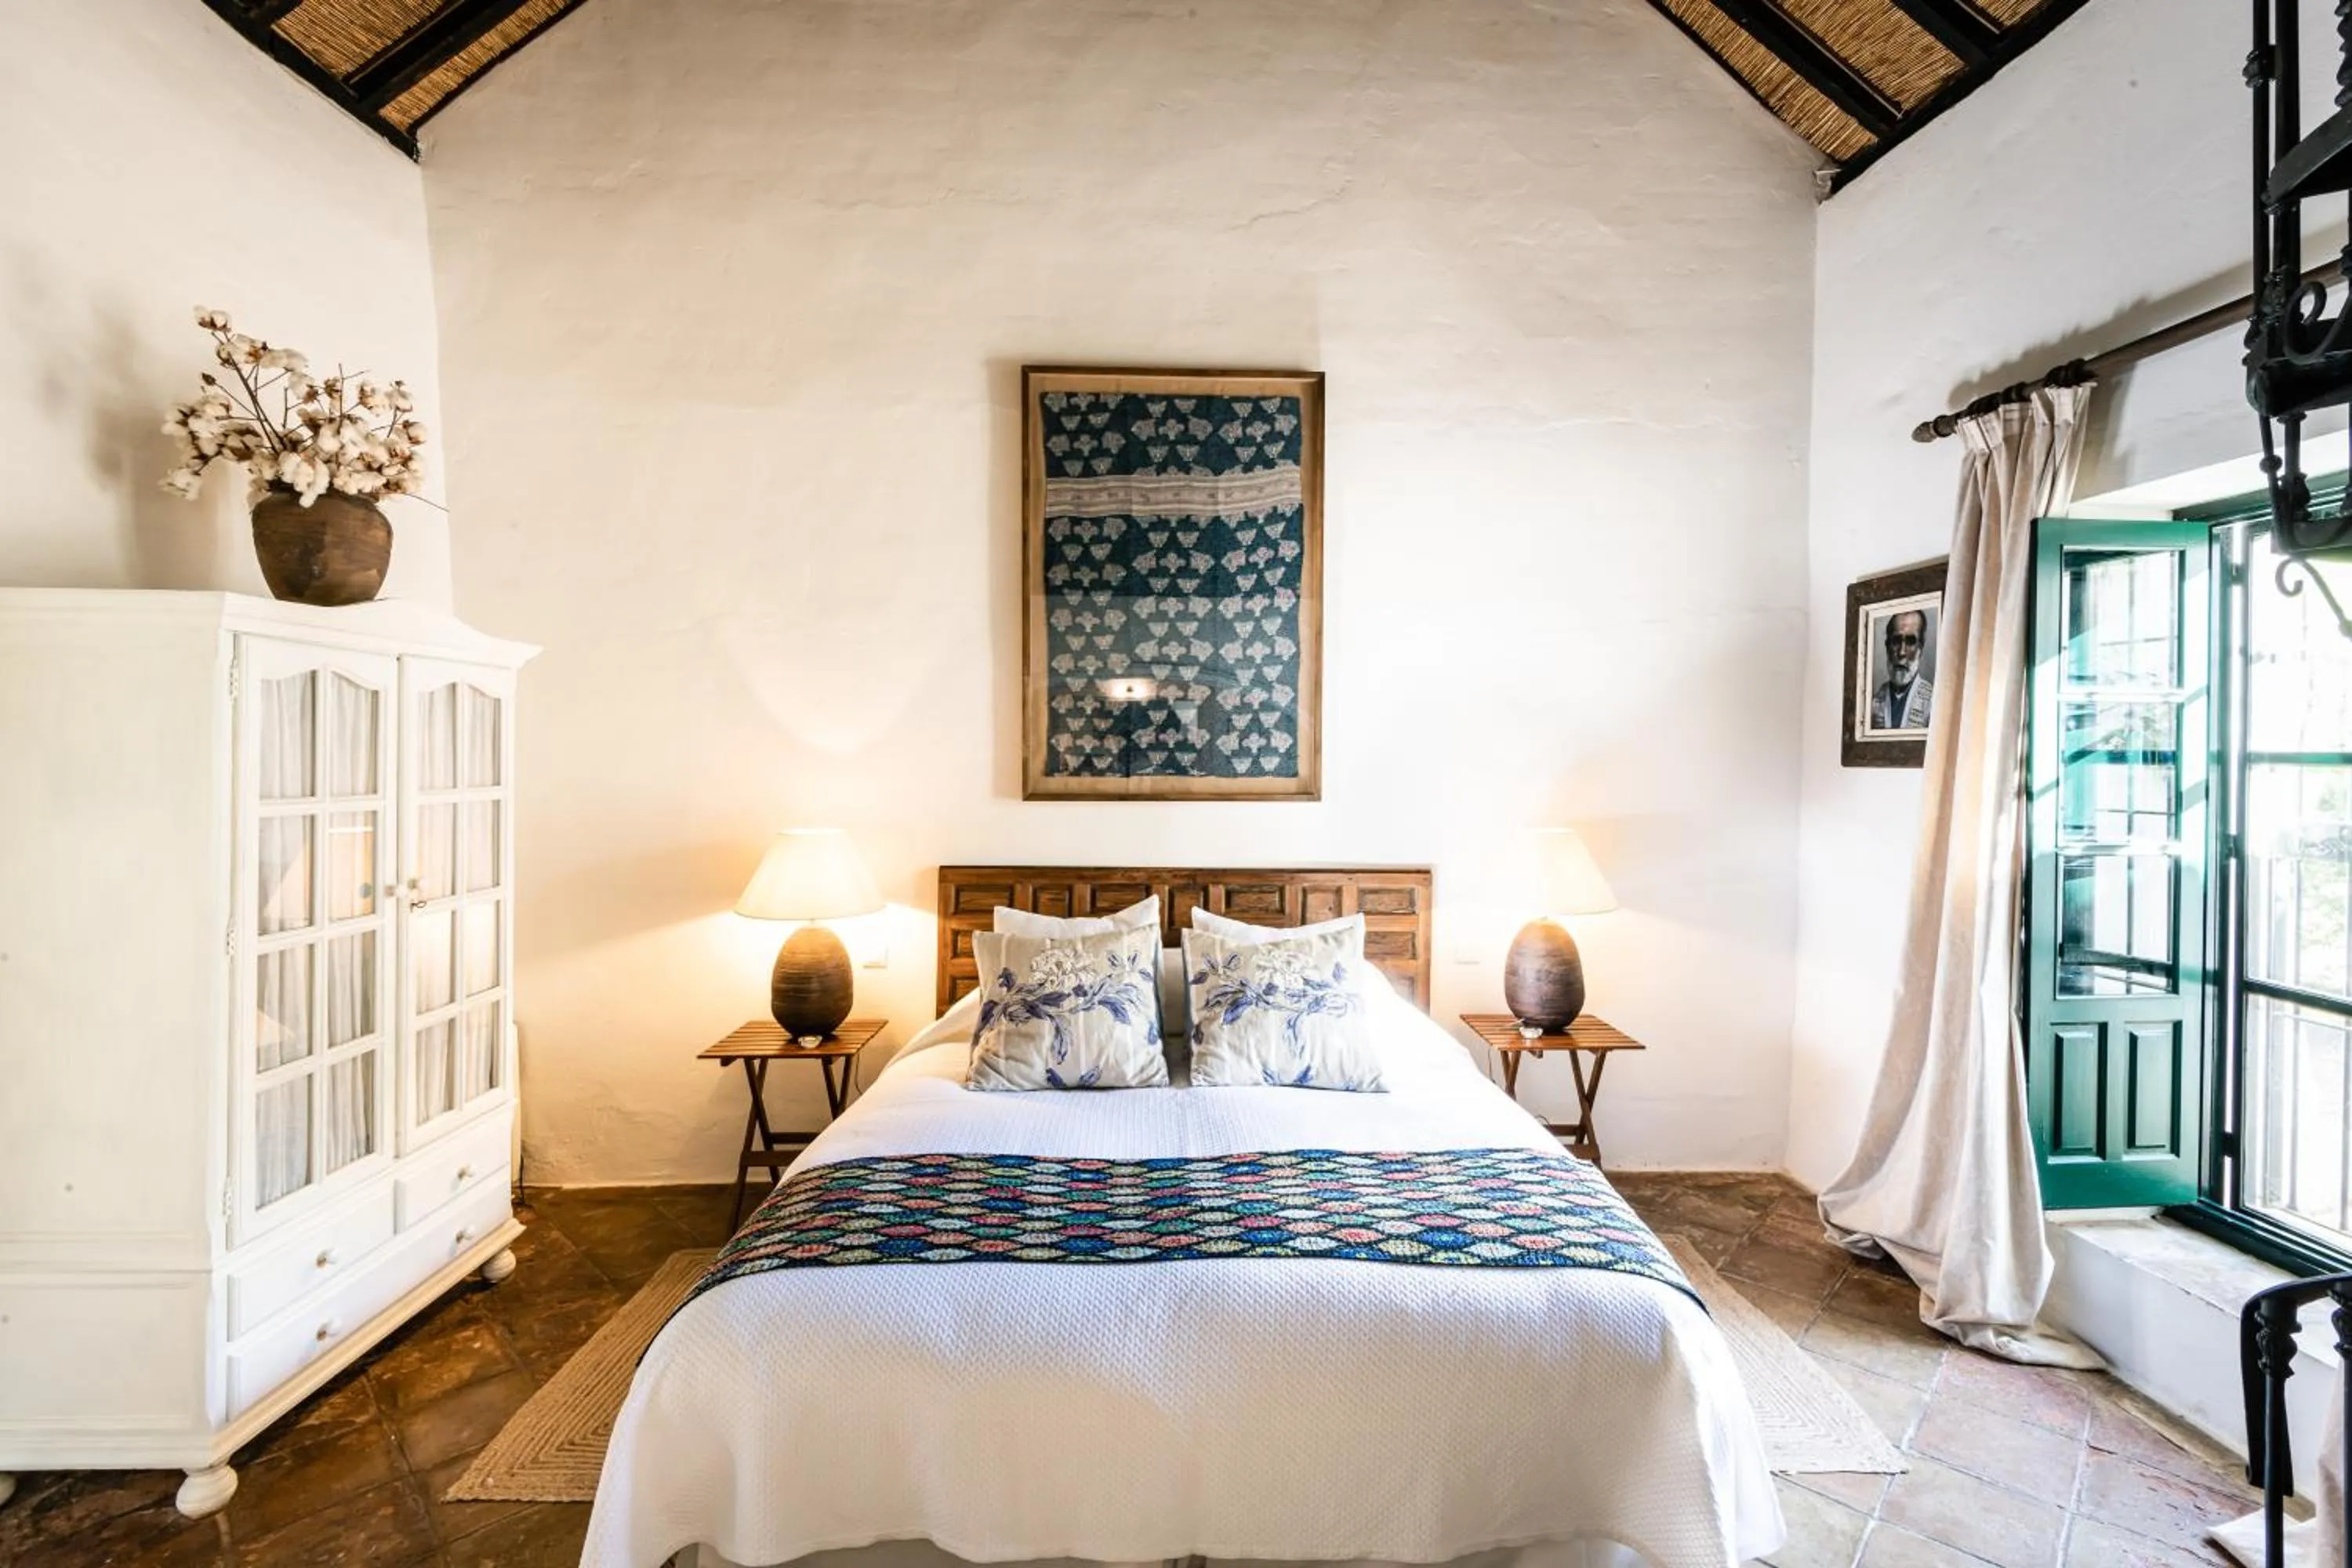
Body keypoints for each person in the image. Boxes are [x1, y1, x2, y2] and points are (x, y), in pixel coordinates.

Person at [1870, 608, 1932, 731]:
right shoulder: (1875, 701)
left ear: (1920, 649)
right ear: (1888, 647)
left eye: (1910, 642)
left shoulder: (1932, 701)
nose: (1902, 652)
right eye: (1896, 641)